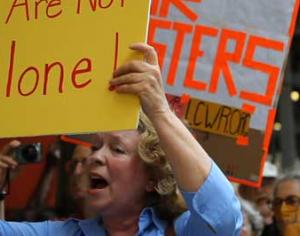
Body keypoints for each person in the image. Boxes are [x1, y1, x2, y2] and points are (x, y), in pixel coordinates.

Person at [0, 43, 242, 235]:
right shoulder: (62, 232)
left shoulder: (179, 232)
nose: (95, 156)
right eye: (96, 147)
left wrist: (159, 112)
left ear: (151, 178)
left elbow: (222, 218)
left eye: (116, 149)